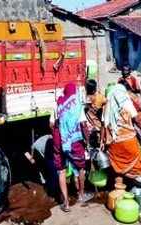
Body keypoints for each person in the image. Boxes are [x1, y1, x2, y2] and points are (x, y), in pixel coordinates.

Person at [55, 83, 93, 212]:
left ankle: (65, 203)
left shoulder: (58, 103)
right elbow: (83, 124)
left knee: (61, 171)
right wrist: (87, 141)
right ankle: (81, 195)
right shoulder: (77, 105)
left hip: (60, 140)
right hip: (75, 141)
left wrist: (62, 134)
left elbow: (51, 124)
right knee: (80, 168)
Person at [102, 84, 141, 179]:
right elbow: (138, 120)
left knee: (118, 168)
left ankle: (119, 188)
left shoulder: (107, 106)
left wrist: (102, 141)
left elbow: (104, 125)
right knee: (137, 166)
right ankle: (134, 187)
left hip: (113, 143)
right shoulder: (125, 102)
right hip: (128, 143)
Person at [85, 79, 106, 148]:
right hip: (98, 128)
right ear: (94, 89)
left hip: (87, 128)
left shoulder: (84, 98)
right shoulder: (100, 97)